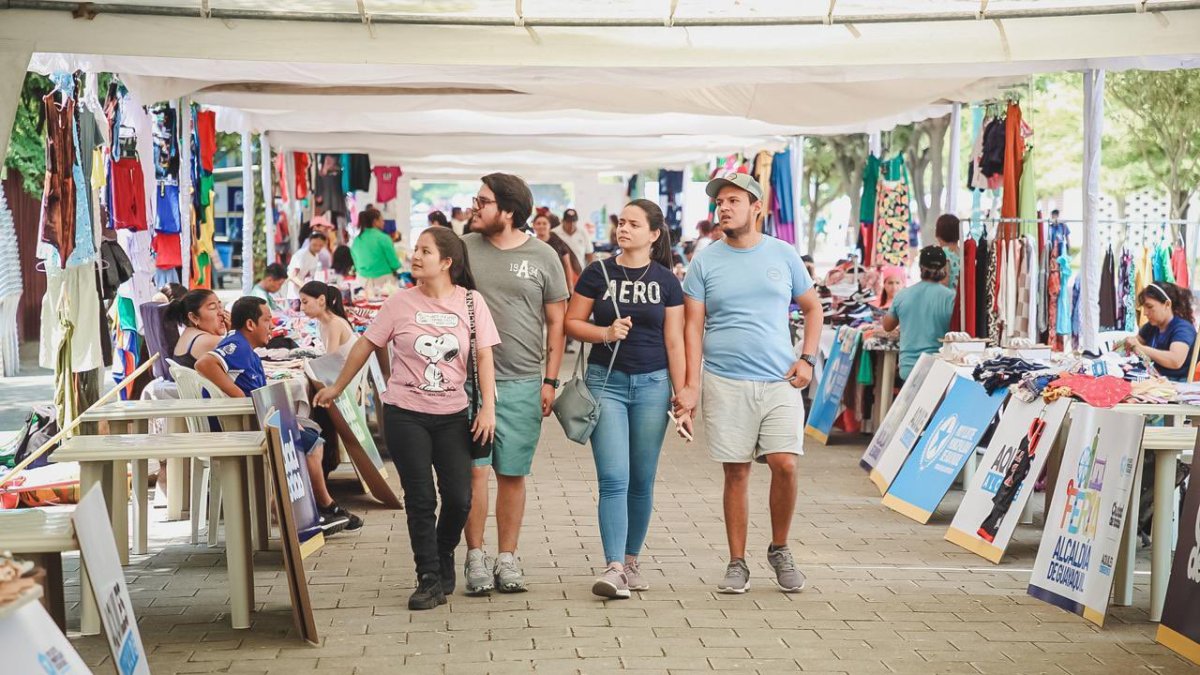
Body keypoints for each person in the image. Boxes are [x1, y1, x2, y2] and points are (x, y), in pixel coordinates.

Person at [315, 228, 500, 610]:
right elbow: (366, 344)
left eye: (425, 251)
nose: (415, 256)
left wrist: (487, 408)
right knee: (420, 498)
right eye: (415, 249)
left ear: (446, 262)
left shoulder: (471, 302)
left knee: (459, 498)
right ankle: (428, 578)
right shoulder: (399, 302)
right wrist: (337, 387)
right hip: (405, 414)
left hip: (453, 415)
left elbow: (484, 356)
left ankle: (443, 551)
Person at [674, 172, 823, 595]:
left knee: (785, 463)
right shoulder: (705, 261)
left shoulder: (783, 254)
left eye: (733, 200)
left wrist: (807, 358)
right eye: (719, 202)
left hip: (780, 380)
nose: (723, 208)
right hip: (725, 380)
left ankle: (780, 548)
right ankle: (737, 562)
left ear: (756, 207)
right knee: (736, 472)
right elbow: (692, 328)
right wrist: (690, 386)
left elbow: (813, 308)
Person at [565, 199, 685, 599]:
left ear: (653, 234)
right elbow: (572, 323)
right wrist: (605, 333)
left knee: (642, 478)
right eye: (621, 222)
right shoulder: (597, 272)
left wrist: (683, 393)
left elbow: (674, 340)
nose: (624, 229)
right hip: (606, 383)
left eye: (634, 224)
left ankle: (631, 561)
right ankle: (614, 566)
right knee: (614, 477)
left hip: (653, 385)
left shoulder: (667, 281)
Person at [461, 173, 569, 595]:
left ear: (507, 211)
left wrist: (550, 380)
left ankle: (507, 558)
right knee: (474, 472)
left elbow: (557, 322)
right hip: (467, 382)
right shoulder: (463, 249)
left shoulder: (544, 256)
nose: (474, 207)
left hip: (523, 380)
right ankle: (475, 557)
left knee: (512, 473)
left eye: (483, 201)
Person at [197, 297, 362, 534]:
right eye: (267, 320)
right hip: (242, 428)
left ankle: (293, 506)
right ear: (250, 324)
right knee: (312, 445)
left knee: (312, 432)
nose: (272, 326)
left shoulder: (248, 350)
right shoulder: (237, 345)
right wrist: (239, 395)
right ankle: (324, 507)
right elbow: (204, 363)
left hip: (257, 421)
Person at [882, 246, 955, 380]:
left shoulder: (902, 295)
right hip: (938, 369)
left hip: (908, 369)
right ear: (945, 268)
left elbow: (887, 326)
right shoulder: (951, 298)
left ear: (920, 267)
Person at [1126, 282, 1198, 382]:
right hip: (1155, 379)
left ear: (1167, 304)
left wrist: (1141, 348)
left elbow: (1175, 361)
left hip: (1176, 384)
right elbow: (1134, 343)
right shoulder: (1151, 326)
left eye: (1149, 307)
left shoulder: (1183, 329)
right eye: (1144, 307)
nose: (1145, 313)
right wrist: (1127, 344)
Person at [167, 289, 229, 369]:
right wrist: (234, 333)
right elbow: (243, 363)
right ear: (194, 317)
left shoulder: (188, 333)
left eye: (220, 306)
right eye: (213, 307)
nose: (221, 312)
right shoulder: (209, 341)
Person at [531, 213, 583, 292]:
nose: (541, 226)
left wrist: (570, 286)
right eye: (538, 223)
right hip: (537, 285)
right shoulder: (531, 244)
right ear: (534, 226)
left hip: (557, 285)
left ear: (549, 226)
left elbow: (567, 265)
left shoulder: (559, 243)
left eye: (544, 223)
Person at [300, 281, 356, 354]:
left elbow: (330, 359)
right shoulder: (322, 324)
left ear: (321, 300)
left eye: (305, 302)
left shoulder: (334, 324)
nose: (301, 308)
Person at [351, 208, 402, 287]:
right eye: (382, 220)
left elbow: (356, 263)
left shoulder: (356, 240)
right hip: (384, 281)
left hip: (363, 281)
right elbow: (394, 263)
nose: (384, 223)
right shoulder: (383, 238)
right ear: (375, 221)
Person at [287, 232, 328, 299]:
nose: (317, 248)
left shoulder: (316, 255)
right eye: (314, 245)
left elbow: (309, 275)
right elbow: (292, 276)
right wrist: (306, 287)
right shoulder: (301, 255)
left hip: (305, 295)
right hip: (295, 296)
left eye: (320, 245)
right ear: (309, 241)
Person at [935, 214, 962, 290]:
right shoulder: (961, 252)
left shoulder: (943, 253)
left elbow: (944, 282)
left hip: (947, 295)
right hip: (961, 295)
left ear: (939, 233)